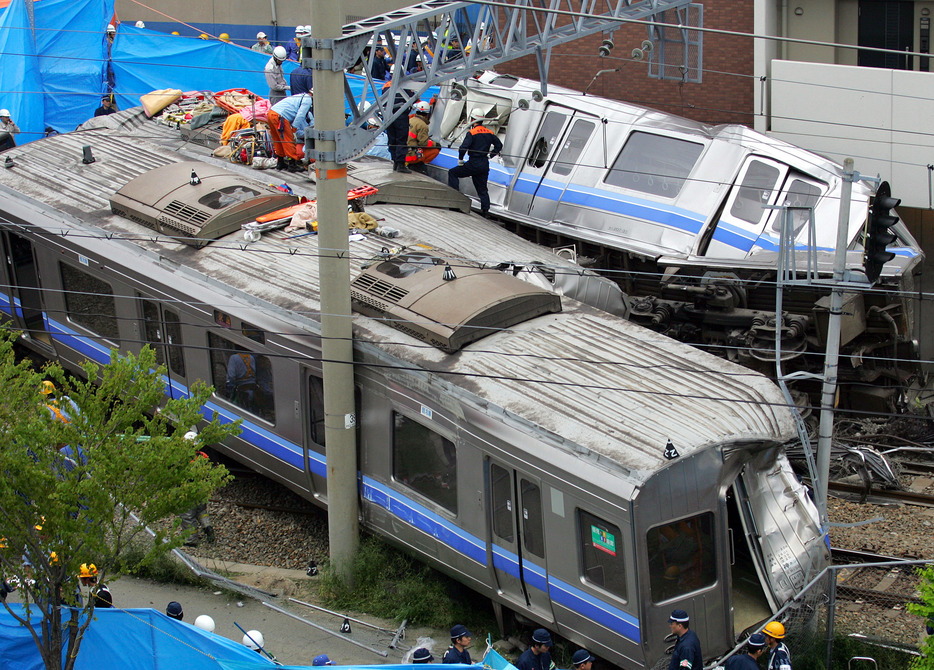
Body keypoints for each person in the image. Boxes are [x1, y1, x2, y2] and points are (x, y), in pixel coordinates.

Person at [447, 109, 502, 216]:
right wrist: (491, 155)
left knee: (453, 173)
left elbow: (463, 148)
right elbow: (499, 145)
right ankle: (485, 211)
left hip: (473, 163)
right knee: (482, 188)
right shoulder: (490, 133)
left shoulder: (471, 133)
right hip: (484, 164)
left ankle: (455, 200)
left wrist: (461, 159)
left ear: (472, 119)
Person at [267, 93, 313, 172]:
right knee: (288, 140)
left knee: (278, 140)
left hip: (271, 113)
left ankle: (280, 162)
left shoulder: (300, 96)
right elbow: (300, 115)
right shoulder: (307, 100)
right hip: (280, 117)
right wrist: (294, 129)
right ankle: (292, 165)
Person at [405, 100, 436, 172]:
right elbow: (423, 143)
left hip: (403, 153)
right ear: (427, 114)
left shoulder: (410, 119)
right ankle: (419, 163)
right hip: (411, 156)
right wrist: (434, 144)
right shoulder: (422, 125)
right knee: (436, 149)